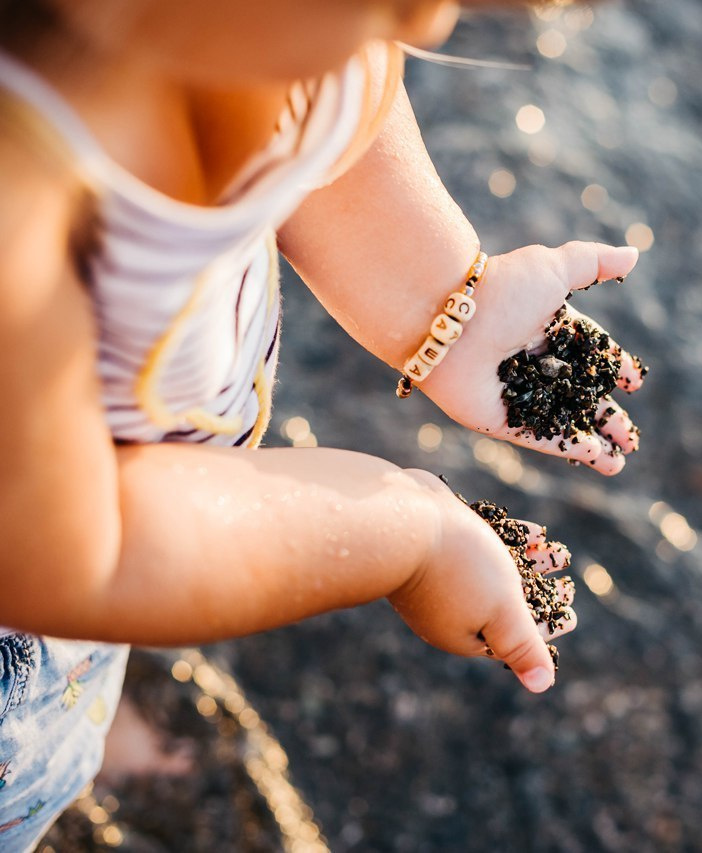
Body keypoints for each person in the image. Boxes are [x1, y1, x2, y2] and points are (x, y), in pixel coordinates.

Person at [0, 0, 646, 848]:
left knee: (87, 657)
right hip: (42, 575)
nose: (432, 24)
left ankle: (86, 684)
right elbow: (88, 548)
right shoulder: (19, 206)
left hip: (95, 526)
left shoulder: (276, 28)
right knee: (35, 733)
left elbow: (338, 127)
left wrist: (453, 306)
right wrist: (412, 537)